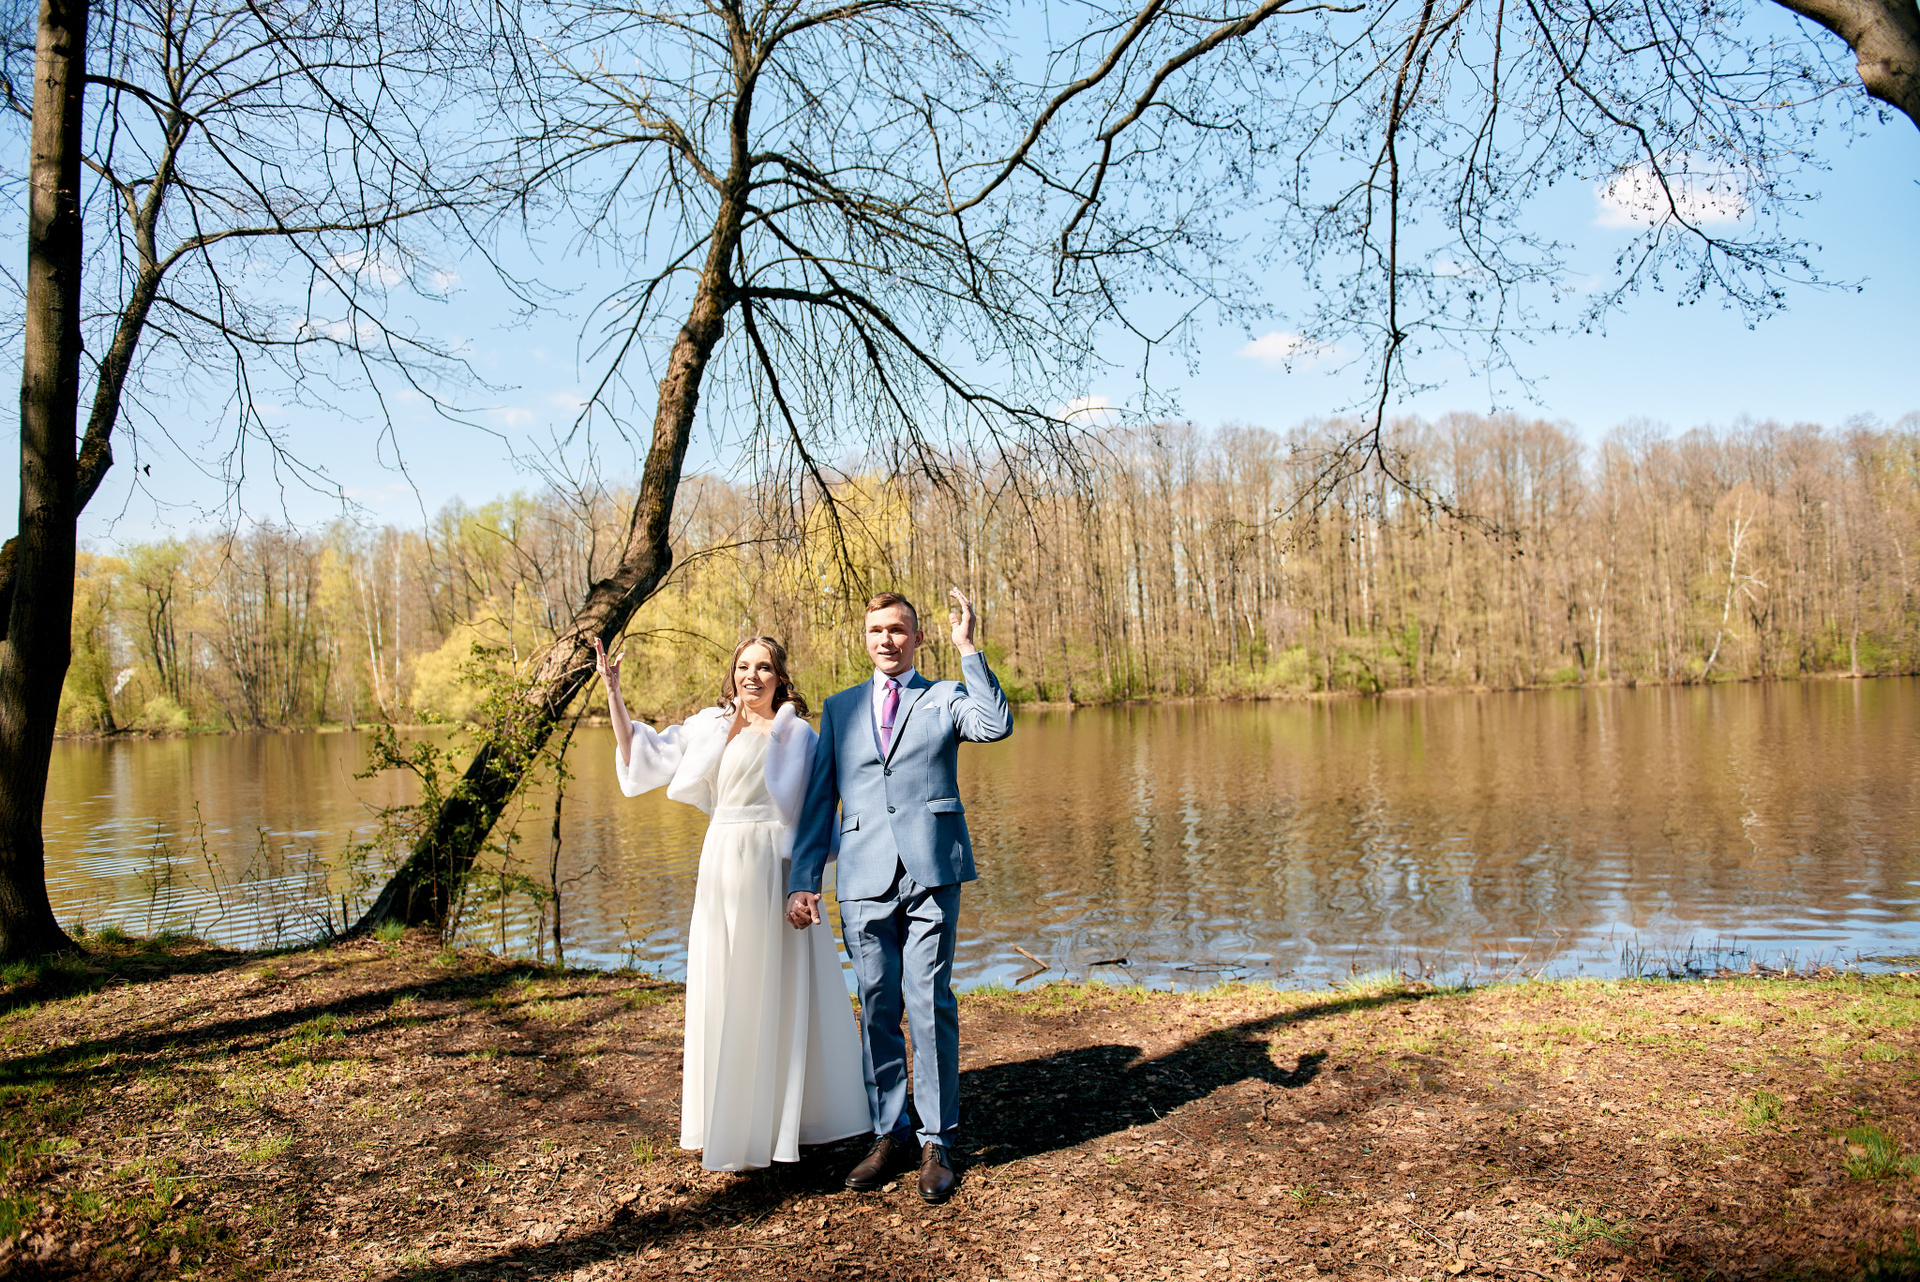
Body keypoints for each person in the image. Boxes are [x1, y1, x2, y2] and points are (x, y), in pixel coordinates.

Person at [594, 633, 869, 1172]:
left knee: (777, 981)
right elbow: (642, 754)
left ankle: (786, 1119)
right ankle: (730, 1116)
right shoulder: (710, 726)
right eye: (743, 666)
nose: (752, 676)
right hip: (722, 859)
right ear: (733, 674)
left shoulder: (798, 735)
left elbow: (818, 810)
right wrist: (613, 691)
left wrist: (806, 882)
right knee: (726, 979)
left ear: (779, 677)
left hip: (774, 862)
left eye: (763, 667)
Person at [786, 589, 1013, 1204]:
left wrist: (969, 648)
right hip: (862, 876)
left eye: (897, 630)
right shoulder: (839, 708)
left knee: (928, 1002)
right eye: (875, 631)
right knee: (877, 1003)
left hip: (932, 870)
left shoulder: (945, 697)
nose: (885, 639)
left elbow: (995, 724)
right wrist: (805, 880)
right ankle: (890, 1133)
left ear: (917, 638)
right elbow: (820, 801)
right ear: (865, 639)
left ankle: (937, 1141)